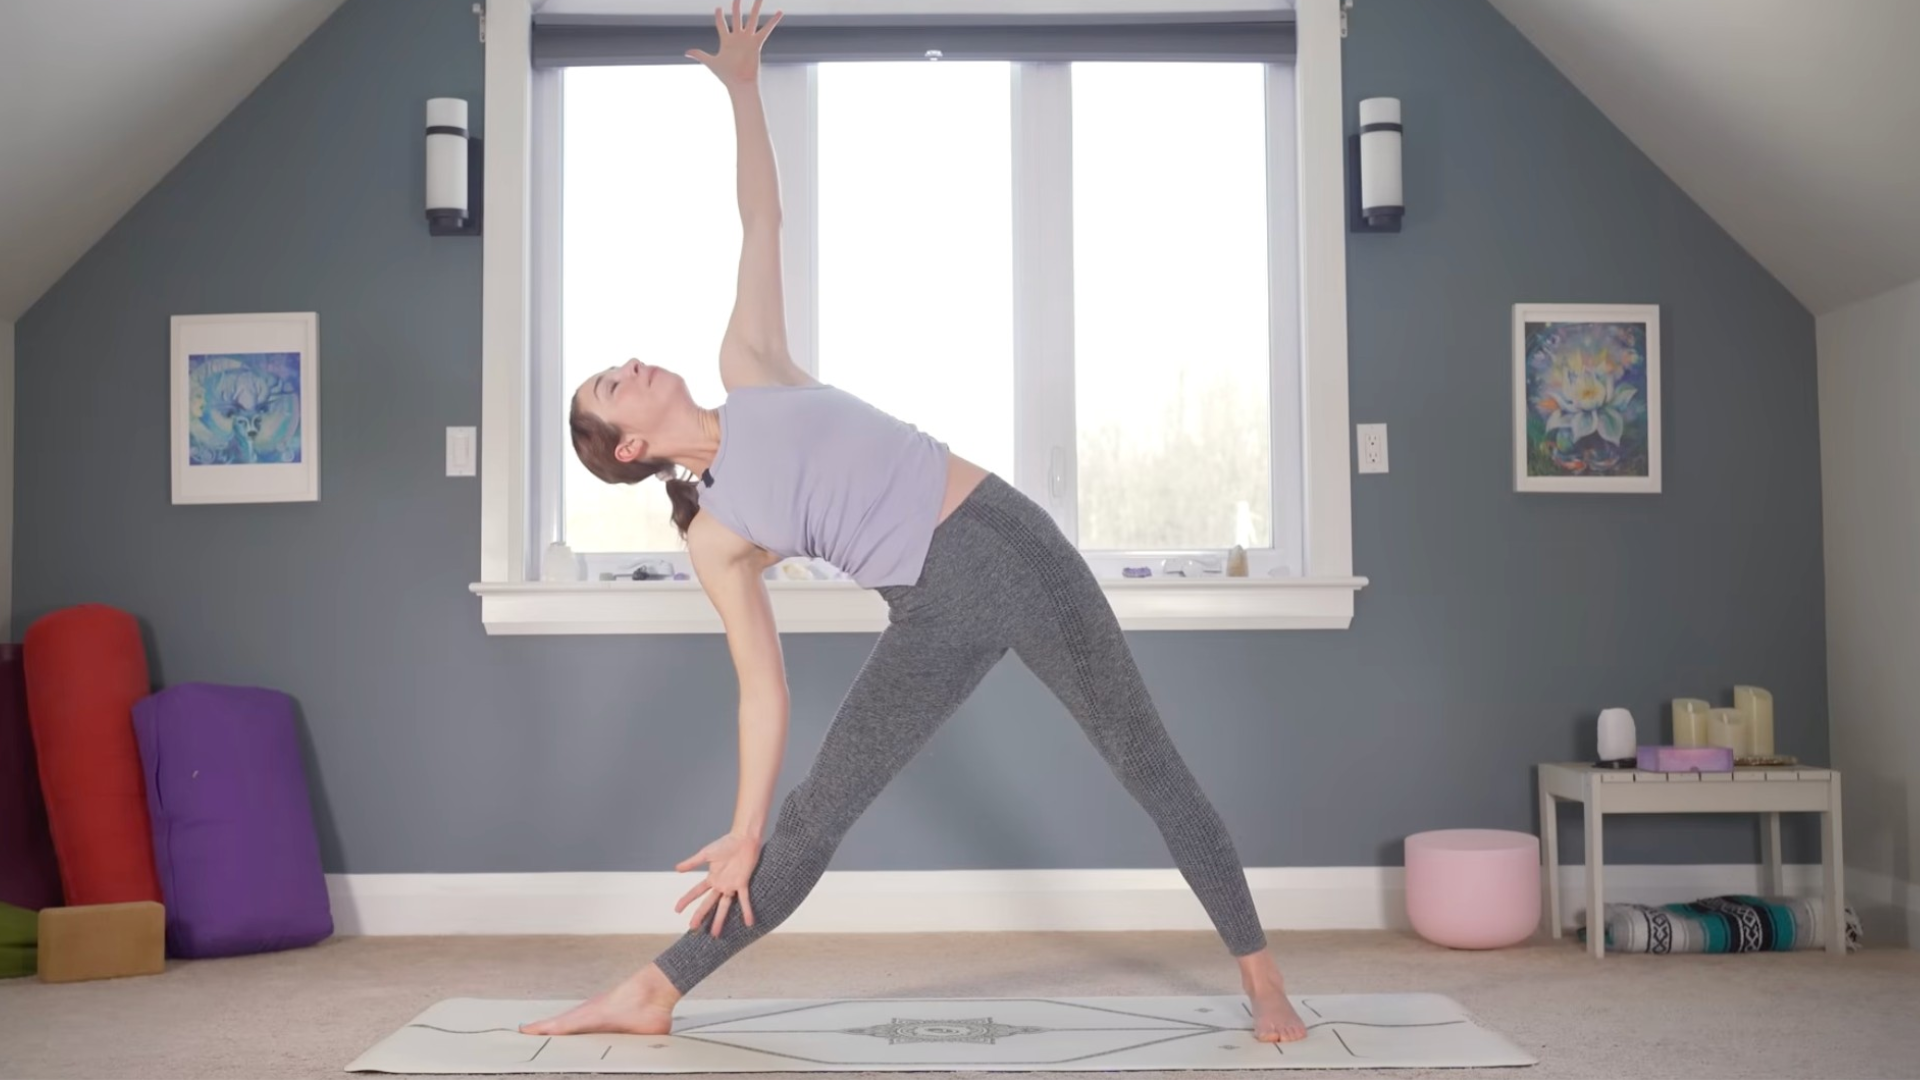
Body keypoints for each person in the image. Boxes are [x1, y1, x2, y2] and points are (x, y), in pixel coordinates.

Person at [520, 0, 1309, 1045]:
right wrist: (744, 827)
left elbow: (764, 222)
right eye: (613, 386)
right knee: (807, 821)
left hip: (1005, 544)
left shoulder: (748, 370)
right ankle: (653, 992)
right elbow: (764, 687)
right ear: (627, 448)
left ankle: (1265, 985)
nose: (631, 367)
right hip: (926, 609)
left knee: (1144, 761)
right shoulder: (716, 536)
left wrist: (746, 95)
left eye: (620, 363)